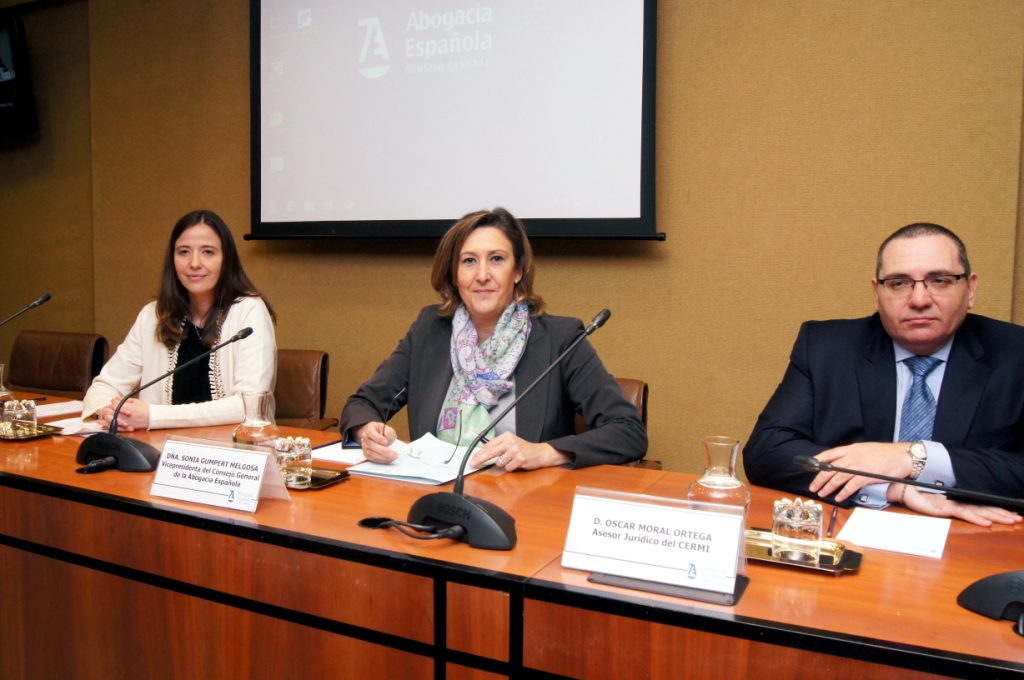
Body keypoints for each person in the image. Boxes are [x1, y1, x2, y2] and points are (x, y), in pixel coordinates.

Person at [744, 223, 1023, 527]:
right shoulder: (826, 348)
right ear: (877, 293)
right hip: (856, 533)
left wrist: (913, 456)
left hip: (973, 540)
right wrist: (892, 487)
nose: (919, 300)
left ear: (970, 289)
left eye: (940, 280)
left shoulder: (1016, 355)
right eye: (899, 283)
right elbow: (767, 451)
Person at [341, 207, 648, 470]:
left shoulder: (561, 340)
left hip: (527, 509)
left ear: (518, 271)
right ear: (454, 275)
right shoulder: (429, 331)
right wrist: (367, 433)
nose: (482, 274)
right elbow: (363, 404)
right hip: (437, 498)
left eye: (497, 259)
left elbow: (628, 431)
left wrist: (543, 452)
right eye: (469, 261)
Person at [82, 210, 277, 430]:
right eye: (184, 252)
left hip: (233, 453)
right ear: (172, 259)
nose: (194, 263)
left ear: (226, 260)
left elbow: (248, 405)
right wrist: (109, 411)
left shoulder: (249, 311)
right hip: (160, 451)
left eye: (208, 252)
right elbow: (104, 386)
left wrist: (153, 417)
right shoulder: (153, 315)